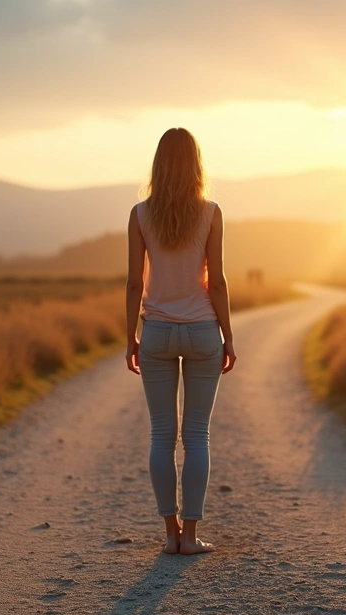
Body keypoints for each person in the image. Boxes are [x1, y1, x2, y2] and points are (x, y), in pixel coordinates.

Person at [125, 127, 236, 555]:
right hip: (203, 330)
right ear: (196, 164)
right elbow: (218, 282)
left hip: (155, 331)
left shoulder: (139, 214)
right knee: (196, 436)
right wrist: (228, 335)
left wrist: (129, 337)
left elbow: (135, 284)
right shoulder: (211, 212)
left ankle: (169, 534)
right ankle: (191, 537)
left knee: (160, 436)